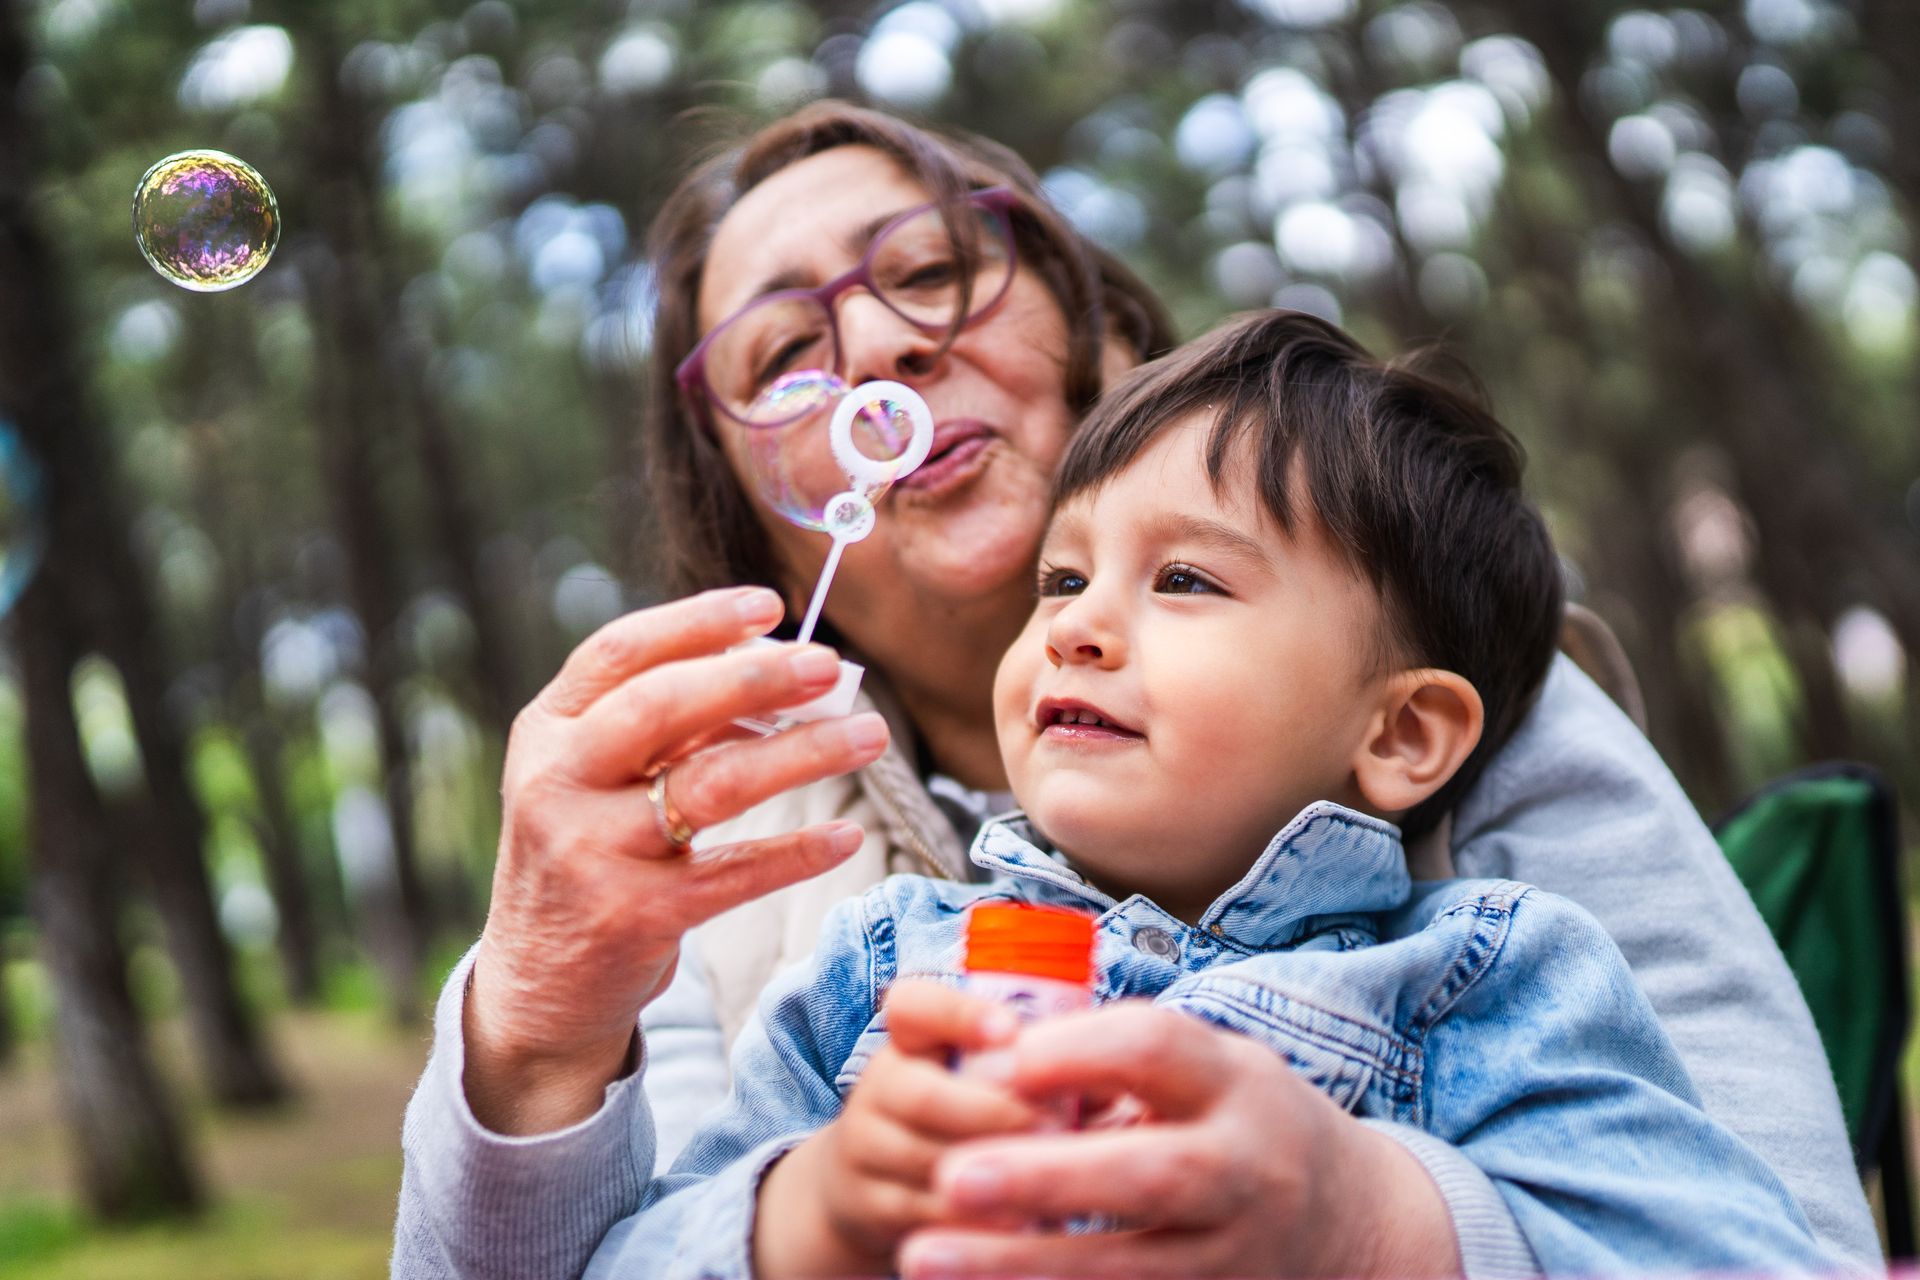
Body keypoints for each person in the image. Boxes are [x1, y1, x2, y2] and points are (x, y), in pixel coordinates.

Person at [392, 102, 1875, 1279]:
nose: (880, 347)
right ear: (751, 513)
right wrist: (704, 1152)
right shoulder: (760, 893)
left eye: (928, 270)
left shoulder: (1490, 895)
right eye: (782, 354)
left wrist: (1374, 1229)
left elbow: (1786, 1242)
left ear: (1106, 340)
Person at [586, 309, 1831, 1279]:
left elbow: (1742, 1252)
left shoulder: (1484, 977)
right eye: (1061, 580)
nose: (1077, 629)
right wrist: (803, 1217)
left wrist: (1372, 1219)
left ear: (1402, 732)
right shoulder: (879, 967)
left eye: (1182, 578)